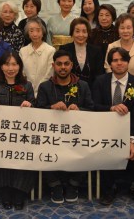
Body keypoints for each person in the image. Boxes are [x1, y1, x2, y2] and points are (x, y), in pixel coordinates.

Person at [92, 47, 134, 207]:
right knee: (103, 144)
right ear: (110, 63)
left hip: (131, 128)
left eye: (123, 60)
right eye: (115, 60)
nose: (119, 63)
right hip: (106, 128)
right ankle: (109, 188)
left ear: (128, 62)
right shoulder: (100, 81)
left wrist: (132, 140)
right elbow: (94, 106)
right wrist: (110, 108)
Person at [36, 49, 94, 204]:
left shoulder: (83, 86)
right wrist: (51, 108)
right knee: (41, 148)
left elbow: (92, 110)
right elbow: (37, 111)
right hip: (51, 136)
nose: (63, 67)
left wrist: (80, 110)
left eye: (66, 64)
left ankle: (73, 185)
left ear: (71, 65)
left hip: (77, 135)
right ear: (53, 66)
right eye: (59, 64)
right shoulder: (45, 87)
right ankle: (55, 185)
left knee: (88, 147)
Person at [0, 52, 35, 210]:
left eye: (14, 64)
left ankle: (19, 192)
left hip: (22, 136)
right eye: (7, 64)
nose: (10, 68)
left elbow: (35, 107)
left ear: (20, 66)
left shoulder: (27, 85)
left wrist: (30, 105)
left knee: (24, 157)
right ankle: (5, 192)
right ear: (1, 67)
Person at [104, 13, 134, 81]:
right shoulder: (111, 46)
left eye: (128, 28)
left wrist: (131, 85)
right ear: (118, 30)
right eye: (122, 28)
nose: (125, 31)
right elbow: (108, 67)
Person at [61, 17, 104, 86]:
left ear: (88, 33)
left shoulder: (96, 51)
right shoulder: (64, 49)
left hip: (91, 90)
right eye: (77, 31)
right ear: (72, 33)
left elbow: (99, 76)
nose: (81, 35)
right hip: (68, 89)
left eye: (84, 31)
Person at [20, 17, 55, 96]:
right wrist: (28, 90)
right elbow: (22, 73)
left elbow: (49, 74)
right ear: (28, 33)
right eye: (31, 31)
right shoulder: (23, 51)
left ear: (43, 32)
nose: (35, 34)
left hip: (45, 92)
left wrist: (39, 90)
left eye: (38, 30)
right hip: (25, 92)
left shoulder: (51, 51)